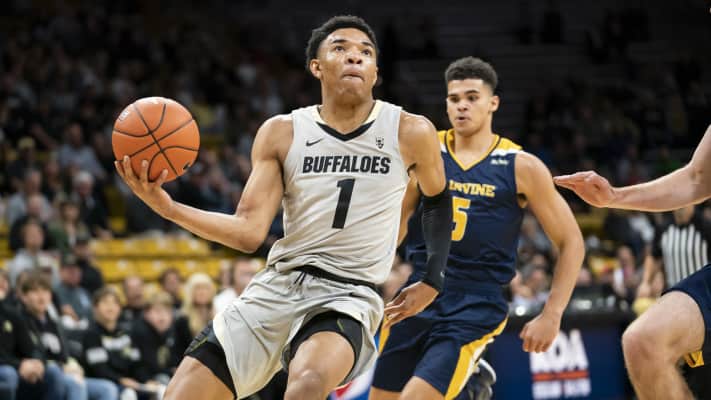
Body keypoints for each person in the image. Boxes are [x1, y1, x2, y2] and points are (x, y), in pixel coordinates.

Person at [115, 15, 450, 400]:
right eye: (340, 48)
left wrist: (432, 278)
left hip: (349, 294)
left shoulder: (409, 131)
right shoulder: (282, 132)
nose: (355, 57)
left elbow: (438, 198)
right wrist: (169, 208)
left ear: (375, 72)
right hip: (277, 285)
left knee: (306, 384)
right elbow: (248, 232)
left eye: (366, 52)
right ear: (317, 67)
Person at [370, 57, 584, 400]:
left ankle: (466, 381)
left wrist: (552, 313)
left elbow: (571, 240)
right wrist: (363, 277)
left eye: (472, 98)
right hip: (418, 291)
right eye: (454, 99)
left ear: (493, 103)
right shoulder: (426, 152)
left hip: (475, 303)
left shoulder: (521, 166)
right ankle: (468, 388)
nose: (462, 106)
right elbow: (396, 223)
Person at [554, 124, 711, 400]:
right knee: (643, 342)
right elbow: (696, 178)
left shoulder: (702, 227)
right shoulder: (665, 231)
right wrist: (613, 197)